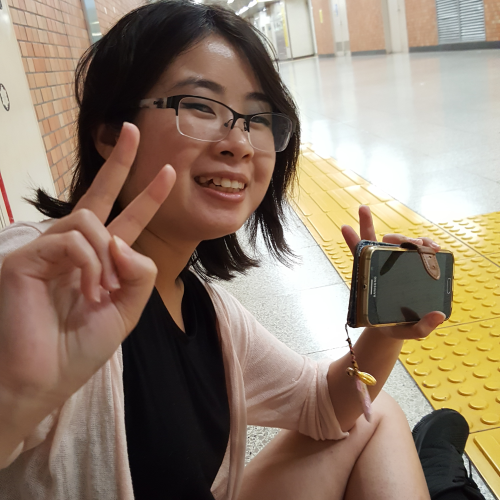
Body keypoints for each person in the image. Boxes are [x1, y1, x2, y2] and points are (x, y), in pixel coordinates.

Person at [0, 1, 446, 498]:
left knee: (375, 413)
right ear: (109, 131)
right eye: (198, 106)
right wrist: (13, 396)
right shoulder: (35, 279)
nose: (239, 143)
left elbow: (326, 405)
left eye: (258, 119)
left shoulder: (209, 313)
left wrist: (384, 333)